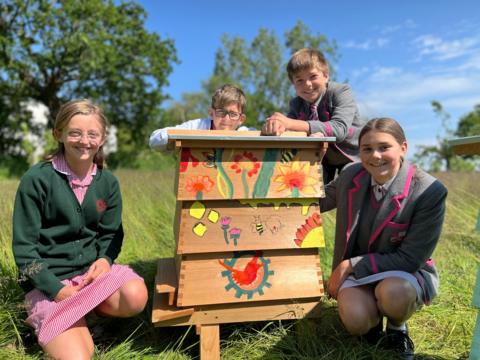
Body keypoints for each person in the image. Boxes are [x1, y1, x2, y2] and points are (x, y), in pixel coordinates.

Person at [12, 99, 148, 360]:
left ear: (102, 138)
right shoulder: (36, 180)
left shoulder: (107, 182)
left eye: (92, 134)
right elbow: (24, 250)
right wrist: (56, 289)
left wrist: (105, 260)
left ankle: (85, 315)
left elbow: (112, 234)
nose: (84, 140)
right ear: (59, 134)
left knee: (135, 296)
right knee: (78, 357)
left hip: (90, 277)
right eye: (75, 132)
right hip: (49, 282)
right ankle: (51, 321)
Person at [319, 118, 447, 359]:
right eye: (367, 149)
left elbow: (410, 259)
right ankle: (372, 322)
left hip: (403, 272)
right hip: (359, 275)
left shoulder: (429, 191)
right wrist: (309, 161)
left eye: (384, 147)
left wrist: (349, 265)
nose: (375, 156)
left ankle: (397, 327)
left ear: (403, 148)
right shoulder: (350, 174)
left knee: (395, 295)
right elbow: (319, 200)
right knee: (356, 321)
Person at [262, 48, 364, 183]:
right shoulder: (296, 104)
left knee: (350, 190)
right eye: (299, 80)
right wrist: (276, 125)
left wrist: (290, 123)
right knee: (313, 187)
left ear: (326, 76)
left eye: (313, 76)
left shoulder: (340, 91)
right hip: (323, 157)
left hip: (353, 155)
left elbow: (339, 129)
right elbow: (288, 130)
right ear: (293, 84)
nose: (307, 84)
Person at [149, 84, 254, 151]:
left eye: (233, 114)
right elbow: (154, 140)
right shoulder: (198, 126)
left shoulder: (247, 133)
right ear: (211, 113)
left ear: (241, 119)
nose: (226, 118)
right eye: (221, 112)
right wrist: (181, 136)